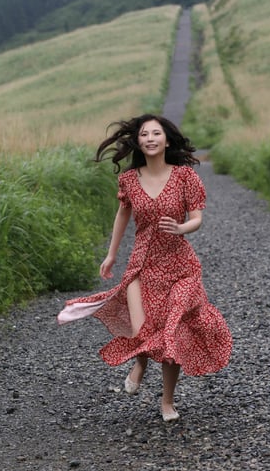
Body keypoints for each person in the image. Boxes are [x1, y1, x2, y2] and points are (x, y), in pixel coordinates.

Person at [57, 114, 232, 422]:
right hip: (142, 268)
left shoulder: (184, 177)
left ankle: (167, 401)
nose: (150, 138)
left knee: (173, 331)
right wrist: (111, 255)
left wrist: (181, 228)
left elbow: (197, 218)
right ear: (138, 142)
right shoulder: (129, 180)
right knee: (142, 333)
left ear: (166, 140)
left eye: (156, 133)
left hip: (181, 267)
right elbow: (122, 215)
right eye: (144, 135)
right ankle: (140, 361)